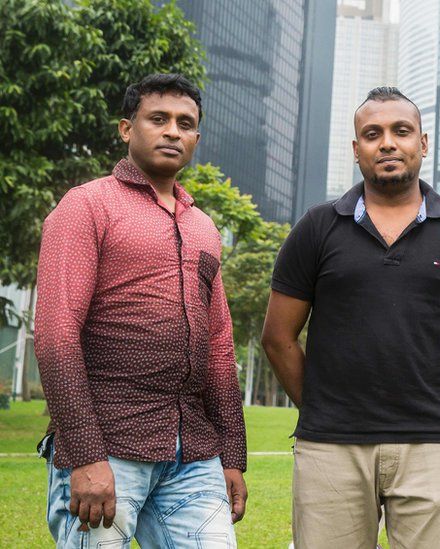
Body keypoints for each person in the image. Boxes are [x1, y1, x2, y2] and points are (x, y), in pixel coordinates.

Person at [261, 86, 440, 549]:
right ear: (357, 150)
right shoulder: (316, 227)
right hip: (330, 446)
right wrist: (321, 407)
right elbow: (278, 337)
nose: (388, 143)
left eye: (402, 131)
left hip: (434, 445)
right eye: (372, 134)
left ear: (423, 142)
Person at [34, 74, 247, 548]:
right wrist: (86, 454)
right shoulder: (86, 206)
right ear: (127, 129)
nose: (173, 131)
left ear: (196, 137)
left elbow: (217, 346)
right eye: (159, 119)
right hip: (108, 445)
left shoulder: (204, 227)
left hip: (192, 451)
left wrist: (231, 454)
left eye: (185, 123)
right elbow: (55, 334)